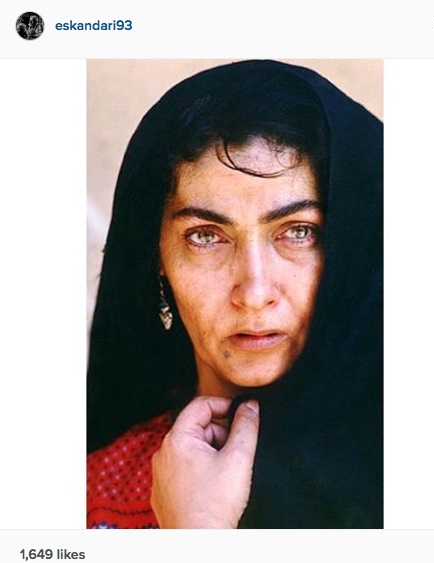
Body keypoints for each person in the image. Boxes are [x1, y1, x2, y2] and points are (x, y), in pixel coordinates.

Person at [87, 59, 383, 529]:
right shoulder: (95, 493)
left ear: (355, 248)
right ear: (156, 259)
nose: (254, 292)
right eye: (205, 236)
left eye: (299, 231)